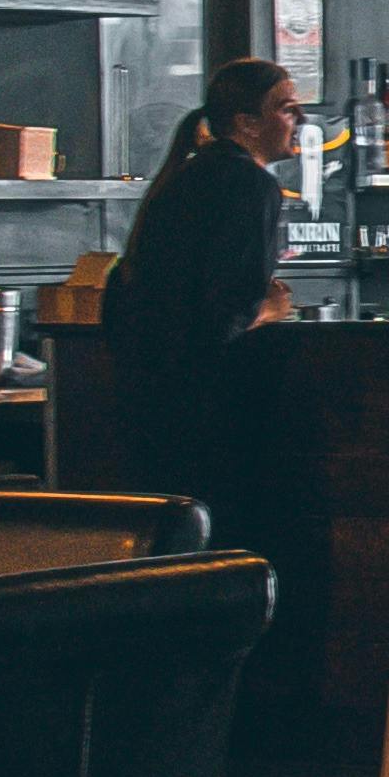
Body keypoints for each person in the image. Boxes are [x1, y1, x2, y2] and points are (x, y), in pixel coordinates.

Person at [98, 57, 305, 517]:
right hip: (207, 411)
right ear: (246, 124)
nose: (300, 119)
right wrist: (272, 306)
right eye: (287, 108)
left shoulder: (185, 175)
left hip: (148, 407)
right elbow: (226, 314)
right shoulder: (251, 185)